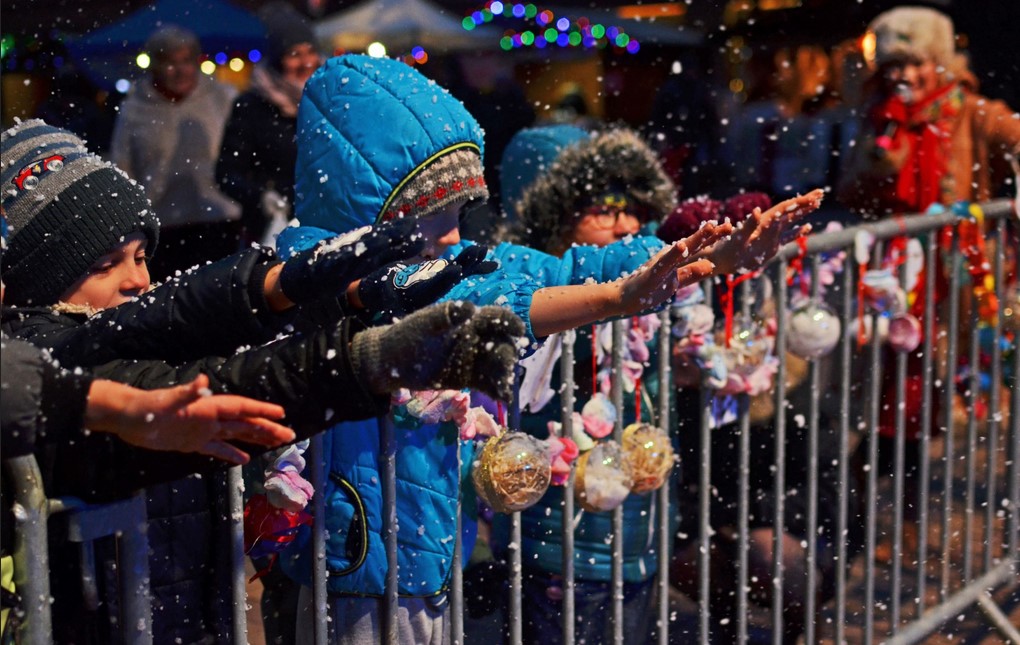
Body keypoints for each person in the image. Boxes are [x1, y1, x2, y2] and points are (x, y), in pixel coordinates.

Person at [276, 54, 822, 644]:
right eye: (437, 217)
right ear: (377, 214)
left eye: (461, 215)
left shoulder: (448, 265)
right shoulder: (314, 291)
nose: (457, 235)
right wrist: (618, 296)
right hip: (361, 563)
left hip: (433, 552)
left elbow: (564, 270)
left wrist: (703, 260)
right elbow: (505, 303)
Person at [1, 119, 525, 644]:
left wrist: (336, 298)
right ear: (38, 282)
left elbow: (183, 320)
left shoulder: (112, 341)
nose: (138, 279)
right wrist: (357, 358)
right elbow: (205, 363)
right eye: (105, 264)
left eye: (141, 256)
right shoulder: (40, 361)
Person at [837, 6, 1020, 563]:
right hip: (891, 285)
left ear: (938, 63)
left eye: (914, 63)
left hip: (952, 289)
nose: (902, 76)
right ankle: (865, 522)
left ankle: (893, 523)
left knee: (923, 406)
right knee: (889, 404)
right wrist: (876, 164)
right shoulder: (878, 120)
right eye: (893, 64)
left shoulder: (972, 112)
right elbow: (854, 195)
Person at [495, 124, 680, 644]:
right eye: (602, 207)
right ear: (552, 220)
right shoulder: (538, 306)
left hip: (633, 535)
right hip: (562, 544)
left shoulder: (645, 305)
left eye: (631, 204)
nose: (623, 222)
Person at [110, 25, 242, 281]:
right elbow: (122, 166)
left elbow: (243, 154)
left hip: (218, 218)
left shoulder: (222, 98)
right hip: (163, 224)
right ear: (155, 66)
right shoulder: (135, 108)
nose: (179, 70)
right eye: (170, 63)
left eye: (186, 61)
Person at [217, 2, 321, 246]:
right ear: (277, 60)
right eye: (294, 54)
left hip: (327, 225)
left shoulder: (331, 98)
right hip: (272, 228)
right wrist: (261, 196)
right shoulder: (252, 106)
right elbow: (226, 173)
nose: (306, 62)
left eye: (310, 51)